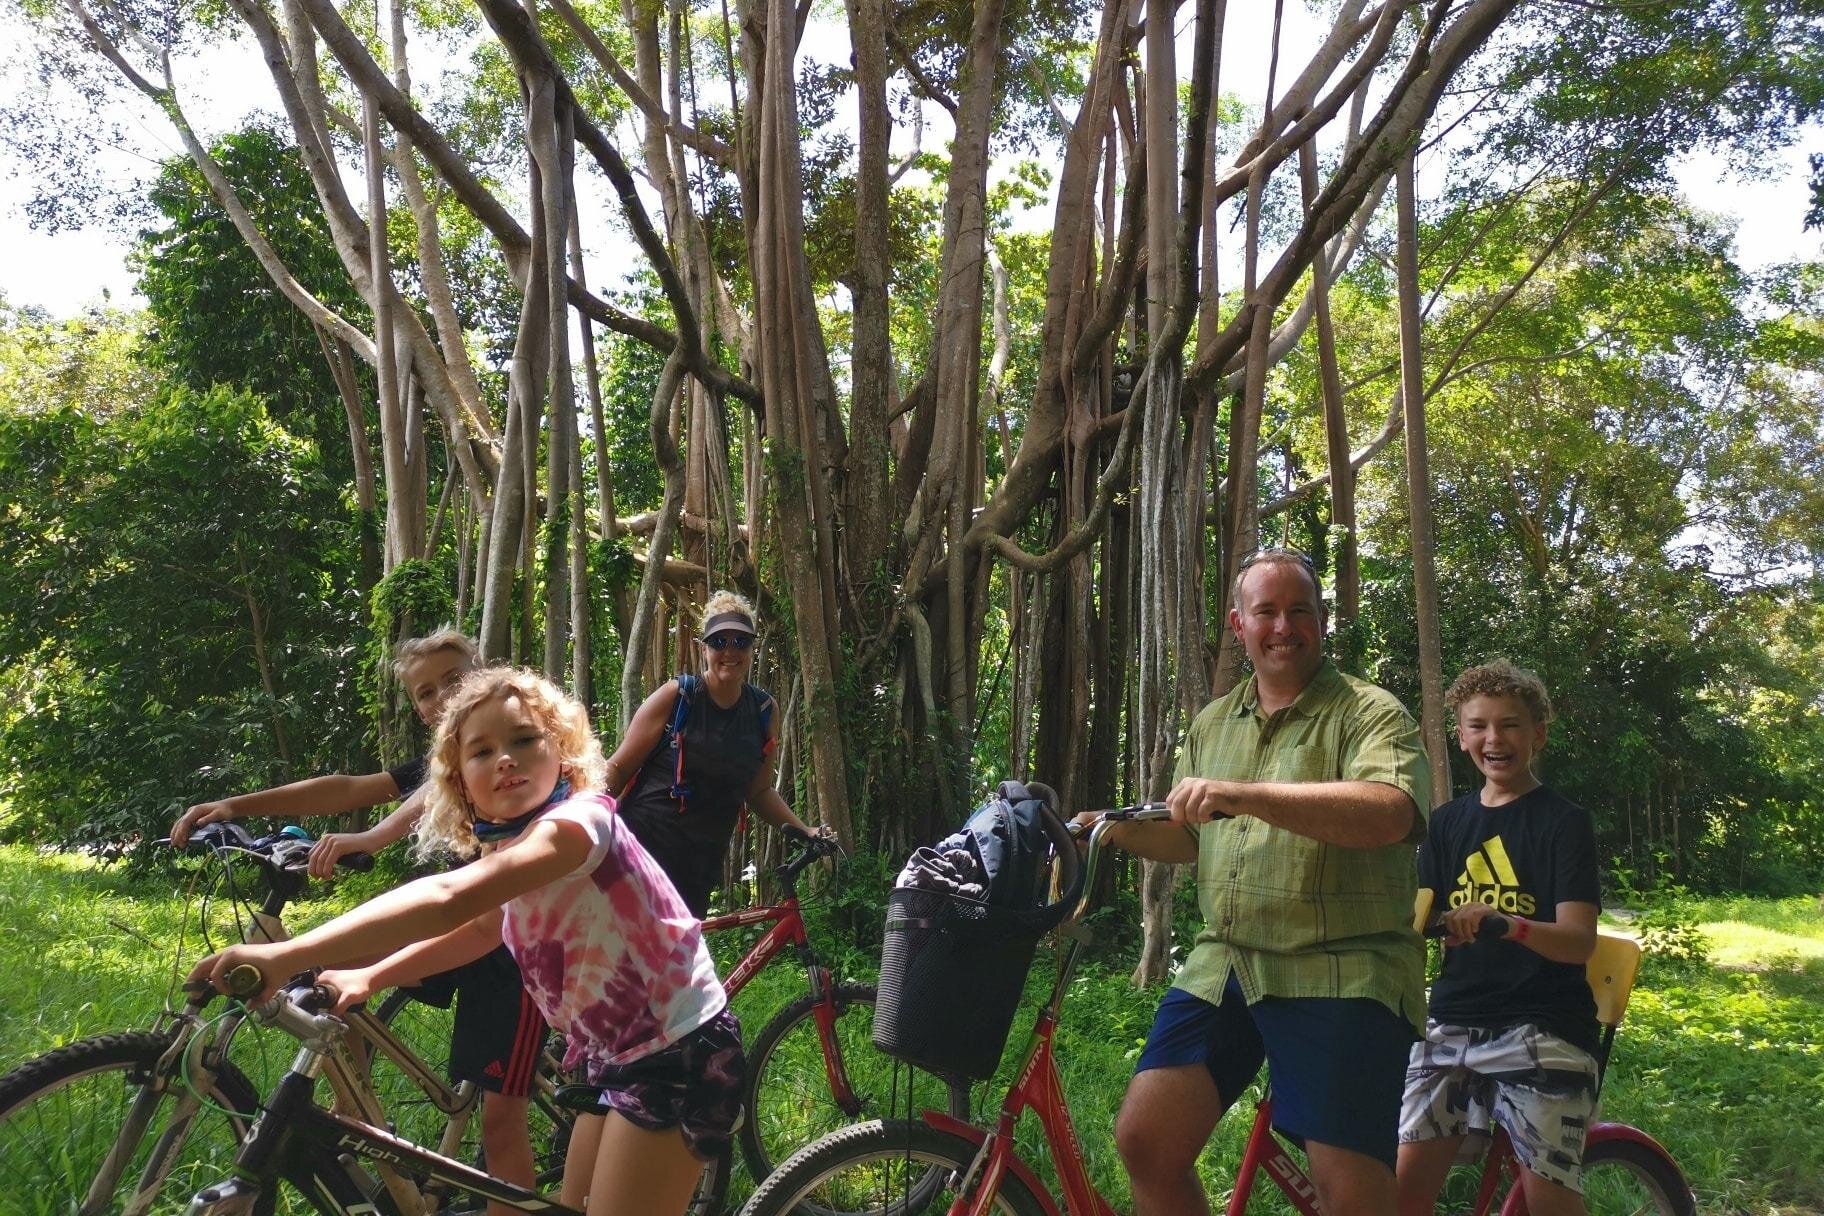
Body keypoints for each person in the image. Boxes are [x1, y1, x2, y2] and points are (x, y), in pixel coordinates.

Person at [192, 667, 742, 1216]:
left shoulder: (579, 824)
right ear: (459, 783)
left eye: (524, 740)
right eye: (482, 751)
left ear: (563, 753)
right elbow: (480, 929)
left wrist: (286, 953)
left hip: (679, 1049)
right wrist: (371, 976)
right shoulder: (510, 846)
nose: (505, 759)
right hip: (613, 1055)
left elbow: (451, 896)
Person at [1084, 548, 1432, 1216]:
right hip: (1228, 961)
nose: (1283, 627)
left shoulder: (1371, 712)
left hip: (1343, 966)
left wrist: (1245, 794)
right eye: (1265, 611)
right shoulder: (1213, 722)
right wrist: (1110, 829)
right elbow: (1192, 836)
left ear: (1321, 620)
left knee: (1348, 1190)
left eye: (1299, 611)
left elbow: (1391, 812)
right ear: (1238, 624)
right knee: (1147, 1143)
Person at [171, 628, 545, 1209]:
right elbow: (349, 788)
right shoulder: (446, 761)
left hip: (510, 948)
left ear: (484, 674)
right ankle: (352, 1110)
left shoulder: (504, 755)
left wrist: (369, 837)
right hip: (456, 927)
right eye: (425, 692)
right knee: (326, 970)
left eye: (454, 679)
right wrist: (238, 805)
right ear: (418, 709)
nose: (442, 697)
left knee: (500, 1122)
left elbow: (410, 808)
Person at [1396, 662, 1600, 1216]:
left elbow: (1579, 941)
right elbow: (1422, 915)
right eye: (1478, 726)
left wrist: (1508, 924)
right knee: (1400, 1195)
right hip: (1452, 1021)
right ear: (1461, 737)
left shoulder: (1564, 822)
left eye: (1510, 725)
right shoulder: (1445, 823)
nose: (1494, 739)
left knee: (1549, 1201)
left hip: (1544, 1024)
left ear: (1538, 733)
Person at [606, 591, 818, 918]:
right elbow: (619, 768)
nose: (730, 651)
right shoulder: (677, 696)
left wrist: (805, 831)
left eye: (740, 642)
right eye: (719, 642)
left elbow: (759, 792)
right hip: (640, 853)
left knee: (681, 950)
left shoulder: (764, 711)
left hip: (698, 866)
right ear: (704, 648)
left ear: (752, 648)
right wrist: (577, 814)